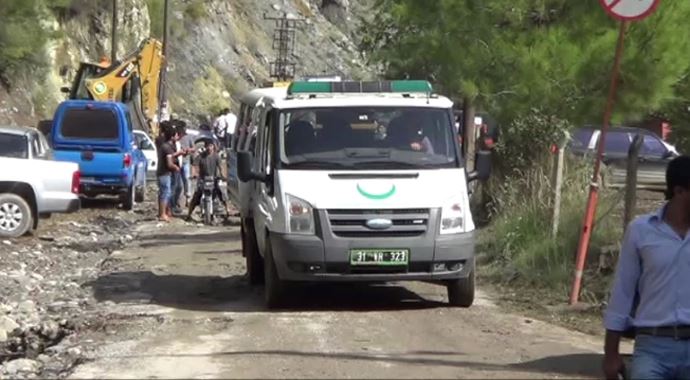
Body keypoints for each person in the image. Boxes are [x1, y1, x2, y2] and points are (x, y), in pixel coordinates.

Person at [603, 155, 690, 380]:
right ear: (679, 191)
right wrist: (611, 353)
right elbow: (623, 292)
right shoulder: (641, 231)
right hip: (652, 348)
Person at [185, 140, 231, 221]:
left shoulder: (216, 156)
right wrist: (194, 174)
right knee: (196, 196)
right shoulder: (201, 156)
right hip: (203, 180)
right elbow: (194, 165)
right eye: (207, 146)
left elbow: (221, 167)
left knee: (222, 195)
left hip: (213, 179)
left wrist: (223, 176)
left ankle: (228, 211)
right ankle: (189, 214)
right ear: (205, 147)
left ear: (213, 146)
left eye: (211, 146)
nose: (209, 148)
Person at [156, 121, 180, 222]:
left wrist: (178, 154)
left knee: (163, 193)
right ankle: (162, 214)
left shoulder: (165, 146)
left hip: (162, 173)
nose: (177, 137)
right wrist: (176, 167)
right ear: (172, 136)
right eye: (176, 135)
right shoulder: (168, 147)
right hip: (164, 174)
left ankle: (163, 213)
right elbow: (169, 163)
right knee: (165, 193)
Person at [177, 125, 196, 207]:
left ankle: (188, 198)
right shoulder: (176, 137)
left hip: (186, 161)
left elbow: (194, 148)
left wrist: (189, 150)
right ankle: (177, 200)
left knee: (187, 179)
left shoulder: (189, 137)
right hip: (177, 162)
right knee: (178, 182)